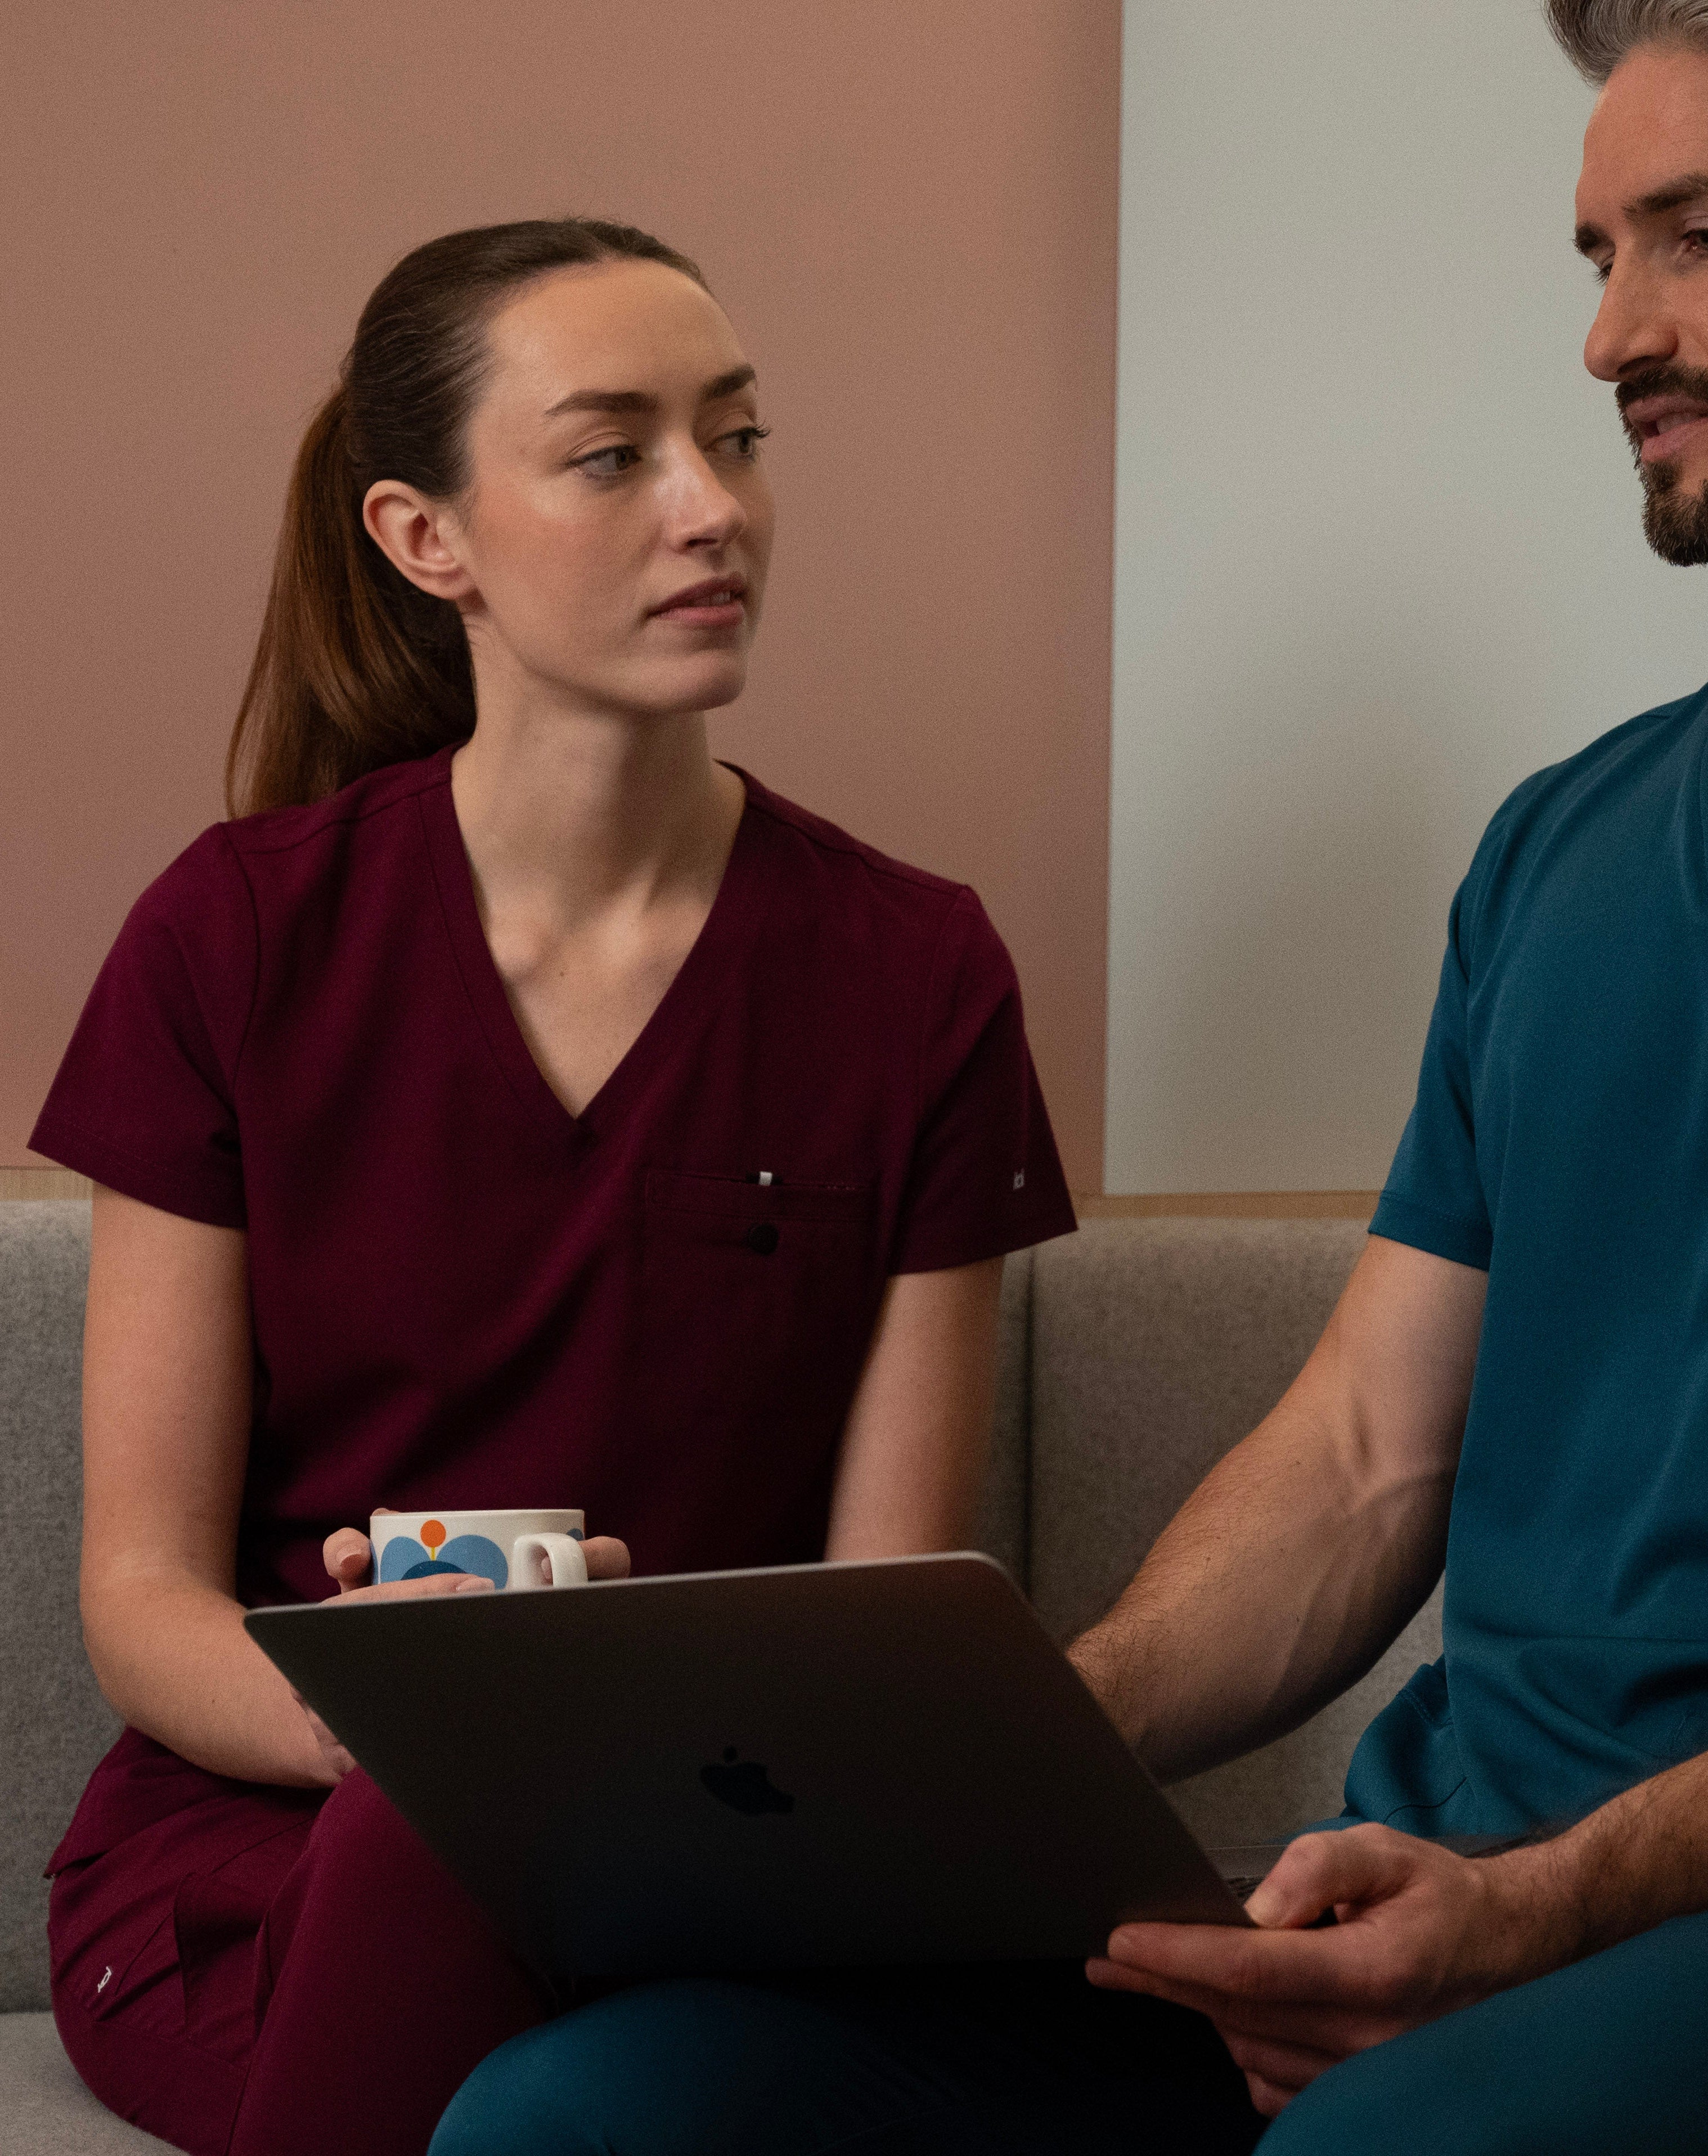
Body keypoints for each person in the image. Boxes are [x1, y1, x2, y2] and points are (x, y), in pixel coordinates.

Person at [437, 0, 1708, 2154]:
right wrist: (999, 1777)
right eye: (1598, 251)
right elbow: (1359, 1465)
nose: (1612, 333)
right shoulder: (1560, 849)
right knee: (603, 2107)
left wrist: (1554, 1904)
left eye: (1696, 238)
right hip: (1433, 1917)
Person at [32, 216, 1077, 2156]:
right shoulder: (232, 937)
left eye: (739, 439)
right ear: (427, 540)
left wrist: (599, 1752)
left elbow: (884, 1620)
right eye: (615, 455)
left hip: (712, 1864)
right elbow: (142, 1594)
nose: (713, 509)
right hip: (275, 1854)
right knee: (439, 1835)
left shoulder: (917, 970)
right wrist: (409, 1719)